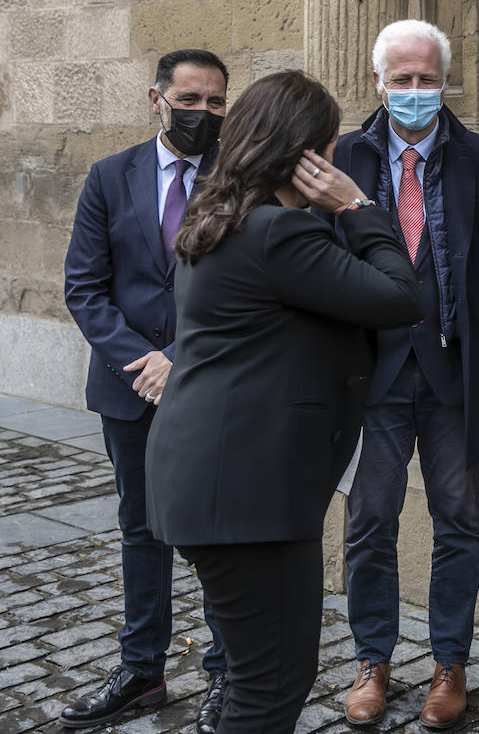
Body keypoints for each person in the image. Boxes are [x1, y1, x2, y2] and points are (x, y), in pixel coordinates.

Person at [142, 69, 422, 732]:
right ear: (293, 151)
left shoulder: (219, 218)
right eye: (323, 151)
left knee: (255, 678)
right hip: (247, 496)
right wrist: (357, 205)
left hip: (220, 484)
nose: (329, 165)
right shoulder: (276, 232)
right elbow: (398, 298)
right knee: (270, 689)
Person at [335, 19, 479, 730]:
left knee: (459, 519)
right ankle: (372, 659)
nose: (415, 92)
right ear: (377, 82)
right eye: (402, 79)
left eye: (427, 79)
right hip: (371, 374)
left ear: (445, 81)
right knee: (370, 519)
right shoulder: (340, 157)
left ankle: (451, 662)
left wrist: (457, 314)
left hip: (454, 374)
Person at [61, 48, 232, 732]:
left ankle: (229, 673)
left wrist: (177, 358)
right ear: (155, 98)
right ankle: (142, 669)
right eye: (189, 100)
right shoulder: (110, 176)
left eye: (216, 102)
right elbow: (84, 287)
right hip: (129, 389)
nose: (203, 113)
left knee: (218, 530)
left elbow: (242, 294)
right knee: (141, 528)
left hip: (212, 386)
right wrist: (145, 362)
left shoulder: (240, 179)